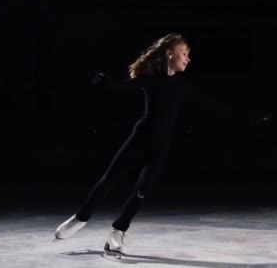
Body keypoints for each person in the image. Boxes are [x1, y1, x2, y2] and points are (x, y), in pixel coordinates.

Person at [54, 33, 193, 258]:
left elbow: (210, 104)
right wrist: (105, 83)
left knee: (142, 191)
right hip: (140, 138)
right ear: (170, 53)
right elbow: (120, 87)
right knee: (109, 179)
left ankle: (117, 232)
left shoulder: (183, 84)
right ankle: (80, 218)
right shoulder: (150, 79)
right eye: (184, 54)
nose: (188, 59)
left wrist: (245, 118)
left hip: (161, 145)